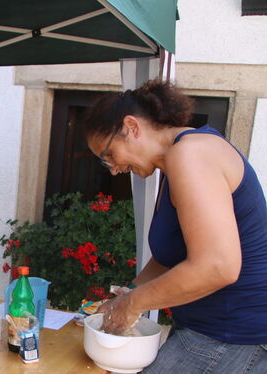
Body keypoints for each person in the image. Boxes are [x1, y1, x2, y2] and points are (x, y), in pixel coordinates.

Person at [83, 80, 267, 373]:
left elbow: (218, 266)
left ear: (131, 127)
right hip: (210, 331)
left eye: (108, 155)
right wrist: (128, 292)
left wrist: (132, 304)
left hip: (233, 336)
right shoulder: (175, 164)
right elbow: (170, 257)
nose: (114, 170)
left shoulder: (191, 154)